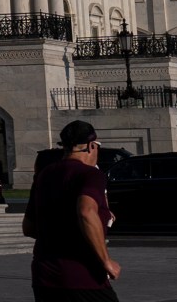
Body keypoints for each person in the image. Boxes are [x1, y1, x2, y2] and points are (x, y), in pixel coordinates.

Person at [24, 120, 120, 302]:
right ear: (92, 146)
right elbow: (86, 211)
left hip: (45, 276)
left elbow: (28, 227)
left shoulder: (44, 175)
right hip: (82, 277)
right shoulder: (90, 174)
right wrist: (106, 261)